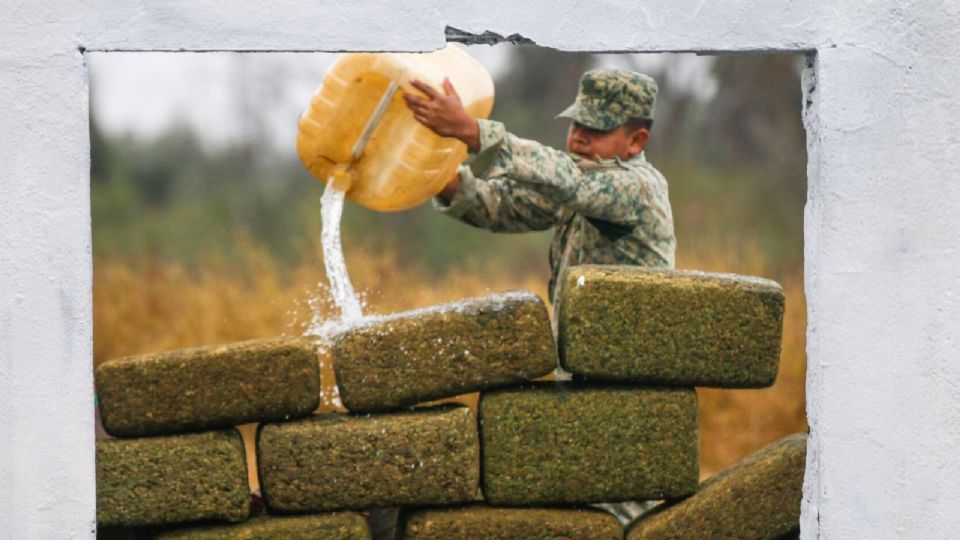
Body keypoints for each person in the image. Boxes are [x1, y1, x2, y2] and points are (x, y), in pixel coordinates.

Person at [403, 68, 676, 309]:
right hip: (584, 362)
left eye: (597, 129)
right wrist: (436, 175)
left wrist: (472, 131)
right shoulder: (576, 185)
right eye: (576, 124)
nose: (580, 137)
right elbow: (499, 205)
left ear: (636, 142)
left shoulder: (638, 187)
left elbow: (569, 181)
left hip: (633, 364)